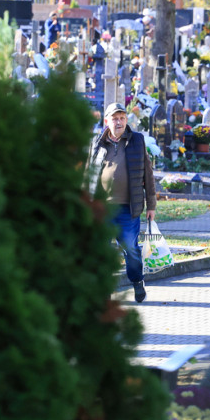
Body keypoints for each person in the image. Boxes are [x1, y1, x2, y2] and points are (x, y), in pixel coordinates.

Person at [86, 103, 157, 303]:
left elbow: (148, 175)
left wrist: (151, 205)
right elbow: (88, 175)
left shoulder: (137, 141)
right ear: (106, 121)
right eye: (115, 118)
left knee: (131, 250)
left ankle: (136, 280)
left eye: (122, 118)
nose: (119, 122)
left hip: (128, 208)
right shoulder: (97, 143)